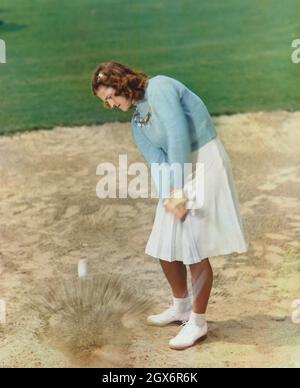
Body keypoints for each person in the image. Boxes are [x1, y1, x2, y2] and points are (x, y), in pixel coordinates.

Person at [92, 62, 248, 350]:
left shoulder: (160, 87)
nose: (112, 104)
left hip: (204, 160)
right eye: (106, 102)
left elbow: (178, 137)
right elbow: (158, 162)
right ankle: (181, 306)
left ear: (122, 82)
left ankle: (198, 323)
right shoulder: (137, 123)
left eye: (111, 96)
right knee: (165, 240)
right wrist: (169, 196)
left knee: (193, 245)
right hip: (179, 170)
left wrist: (178, 192)